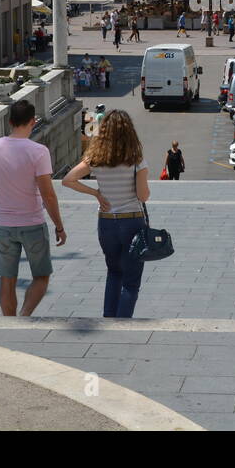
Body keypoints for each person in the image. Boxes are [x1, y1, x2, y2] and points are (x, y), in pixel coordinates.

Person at [0, 100, 66, 317]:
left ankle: (9, 322)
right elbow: (48, 194)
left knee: (7, 281)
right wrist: (59, 226)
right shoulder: (39, 151)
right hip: (33, 223)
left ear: (9, 121)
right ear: (33, 122)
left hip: (3, 226)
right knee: (42, 276)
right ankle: (25, 315)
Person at [61, 110, 150, 319]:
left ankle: (109, 318)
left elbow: (68, 179)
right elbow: (143, 196)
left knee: (114, 272)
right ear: (129, 132)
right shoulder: (136, 160)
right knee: (131, 280)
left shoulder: (96, 159)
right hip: (132, 221)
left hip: (107, 223)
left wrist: (96, 193)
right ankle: (123, 321)